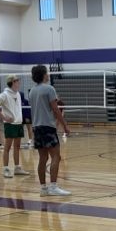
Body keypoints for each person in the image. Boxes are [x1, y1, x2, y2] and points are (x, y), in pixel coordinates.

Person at [29, 65, 71, 196]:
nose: (48, 75)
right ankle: (53, 187)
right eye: (46, 73)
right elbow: (55, 109)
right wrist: (65, 125)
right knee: (56, 156)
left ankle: (43, 189)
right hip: (48, 126)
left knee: (43, 158)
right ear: (43, 75)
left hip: (36, 127)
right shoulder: (49, 89)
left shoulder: (32, 91)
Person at [0, 75, 30, 178]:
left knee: (17, 147)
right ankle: (6, 169)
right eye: (18, 81)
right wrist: (3, 117)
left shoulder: (18, 94)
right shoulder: (4, 95)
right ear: (13, 82)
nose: (19, 82)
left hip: (18, 123)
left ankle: (17, 168)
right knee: (7, 148)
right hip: (10, 124)